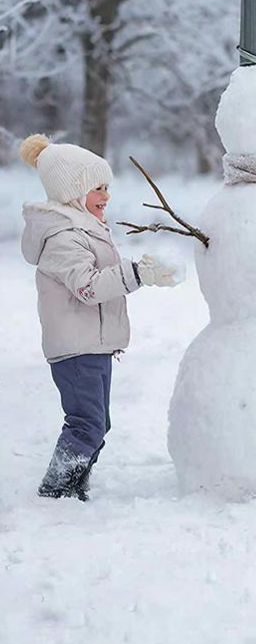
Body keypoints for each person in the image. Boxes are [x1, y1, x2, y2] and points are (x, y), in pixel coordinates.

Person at [19, 134, 181, 500]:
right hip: (76, 349)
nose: (106, 195)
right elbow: (88, 287)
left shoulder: (85, 228)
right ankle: (57, 488)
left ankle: (75, 484)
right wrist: (137, 273)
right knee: (86, 425)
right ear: (73, 192)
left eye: (107, 187)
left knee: (97, 423)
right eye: (98, 188)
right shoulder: (63, 237)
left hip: (93, 345)